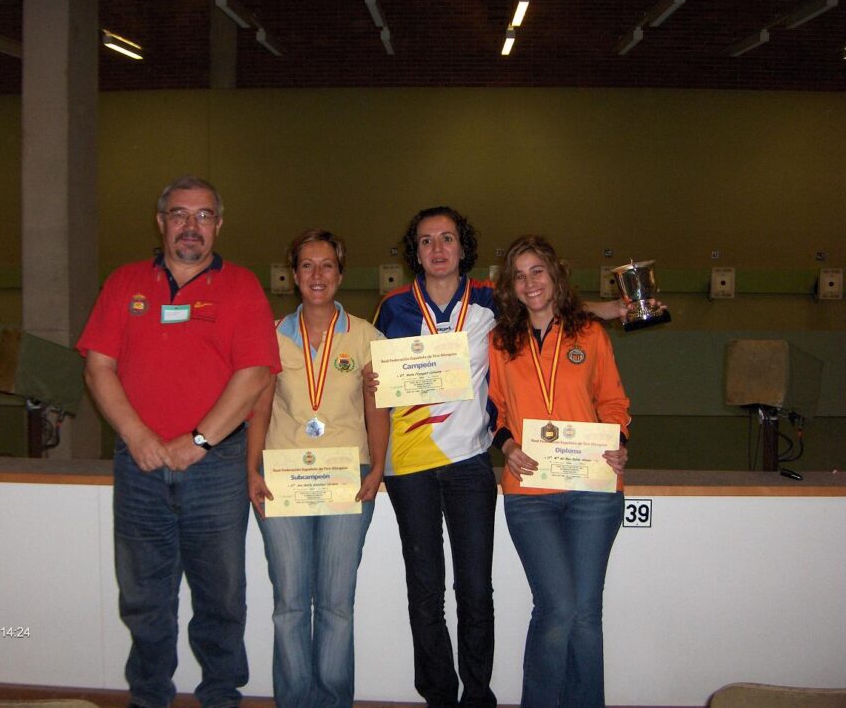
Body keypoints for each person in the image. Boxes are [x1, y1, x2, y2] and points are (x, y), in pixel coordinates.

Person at [373, 207, 628, 708]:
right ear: (415, 252)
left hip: (470, 461)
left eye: (447, 238)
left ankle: (478, 695)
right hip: (410, 462)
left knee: (475, 591)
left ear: (463, 247)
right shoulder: (393, 306)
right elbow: (376, 377)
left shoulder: (492, 302)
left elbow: (553, 305)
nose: (438, 249)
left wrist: (618, 311)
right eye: (426, 241)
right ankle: (439, 695)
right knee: (425, 590)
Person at [76, 175, 281, 708]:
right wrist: (138, 435)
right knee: (144, 599)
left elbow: (256, 371)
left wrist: (199, 441)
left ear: (219, 225)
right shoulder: (124, 283)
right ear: (161, 221)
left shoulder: (241, 287)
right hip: (139, 468)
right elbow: (99, 367)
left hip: (215, 470)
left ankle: (220, 697)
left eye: (204, 215)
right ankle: (149, 698)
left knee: (221, 598)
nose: (192, 226)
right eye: (180, 214)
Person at [246, 230, 389, 708]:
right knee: (289, 605)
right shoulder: (270, 335)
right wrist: (252, 471)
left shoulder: (367, 336)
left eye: (327, 265)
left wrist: (378, 469)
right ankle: (293, 701)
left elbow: (378, 410)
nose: (317, 275)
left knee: (335, 605)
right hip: (282, 479)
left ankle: (331, 700)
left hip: (348, 480)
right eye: (307, 266)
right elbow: (259, 409)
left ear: (341, 274)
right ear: (293, 275)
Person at [488, 235, 630, 708]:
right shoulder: (499, 340)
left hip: (593, 488)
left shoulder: (589, 334)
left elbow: (613, 402)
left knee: (587, 614)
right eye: (519, 275)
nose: (530, 283)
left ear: (555, 276)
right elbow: (494, 410)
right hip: (530, 493)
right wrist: (506, 446)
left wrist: (618, 444)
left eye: (538, 271)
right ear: (509, 285)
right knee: (557, 609)